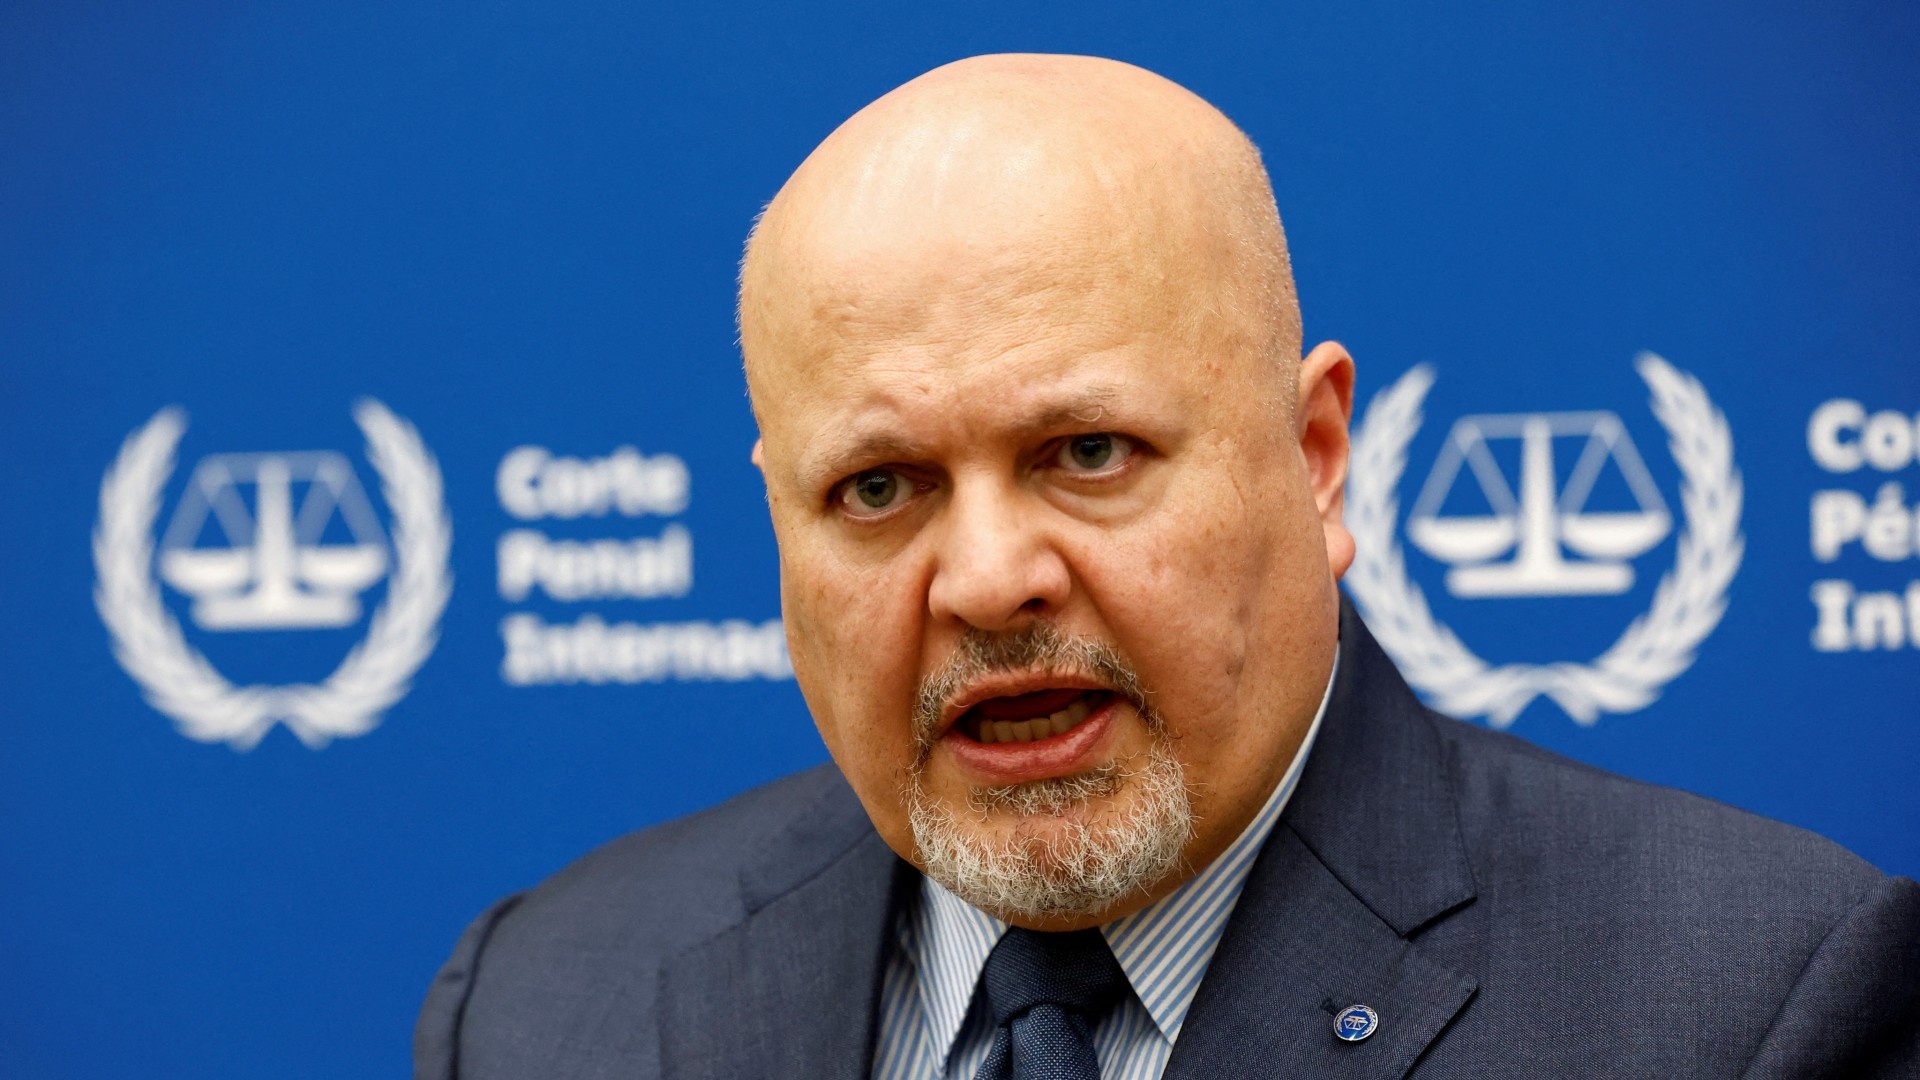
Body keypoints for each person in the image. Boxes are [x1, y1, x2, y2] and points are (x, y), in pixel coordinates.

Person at [415, 54, 1919, 1079]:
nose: (990, 579)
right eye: (880, 487)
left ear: (1317, 453)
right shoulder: (551, 1006)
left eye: (1088, 454)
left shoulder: (1748, 1005)